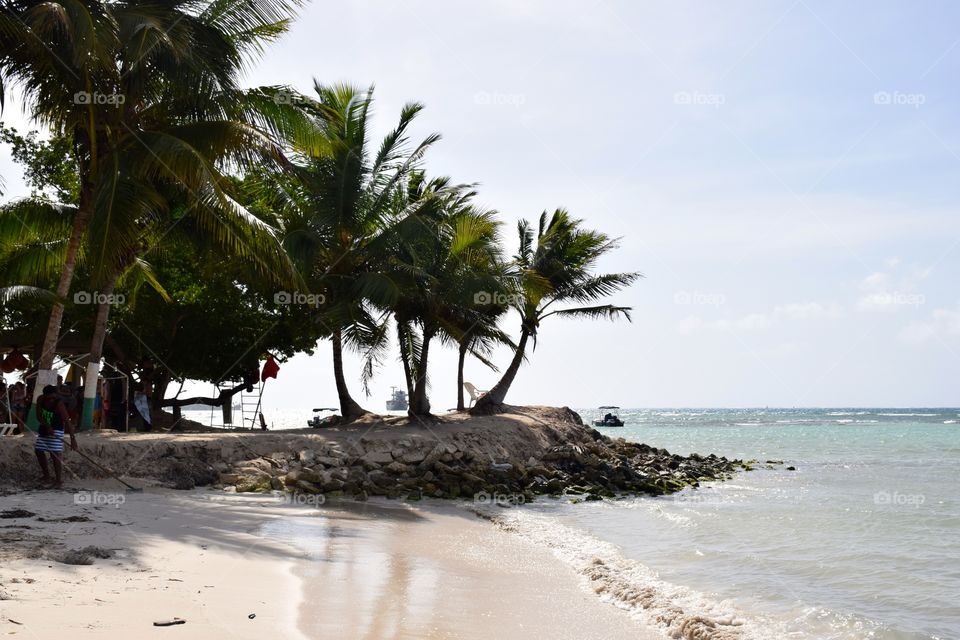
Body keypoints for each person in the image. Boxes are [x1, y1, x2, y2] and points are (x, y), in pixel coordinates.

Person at [35, 385, 77, 487]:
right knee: (38, 450)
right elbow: (39, 416)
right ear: (44, 396)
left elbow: (67, 422)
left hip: (57, 428)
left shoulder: (59, 404)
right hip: (45, 427)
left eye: (53, 398)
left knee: (55, 454)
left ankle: (58, 480)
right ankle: (47, 476)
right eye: (49, 398)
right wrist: (47, 426)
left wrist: (73, 439)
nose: (51, 400)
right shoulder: (40, 399)